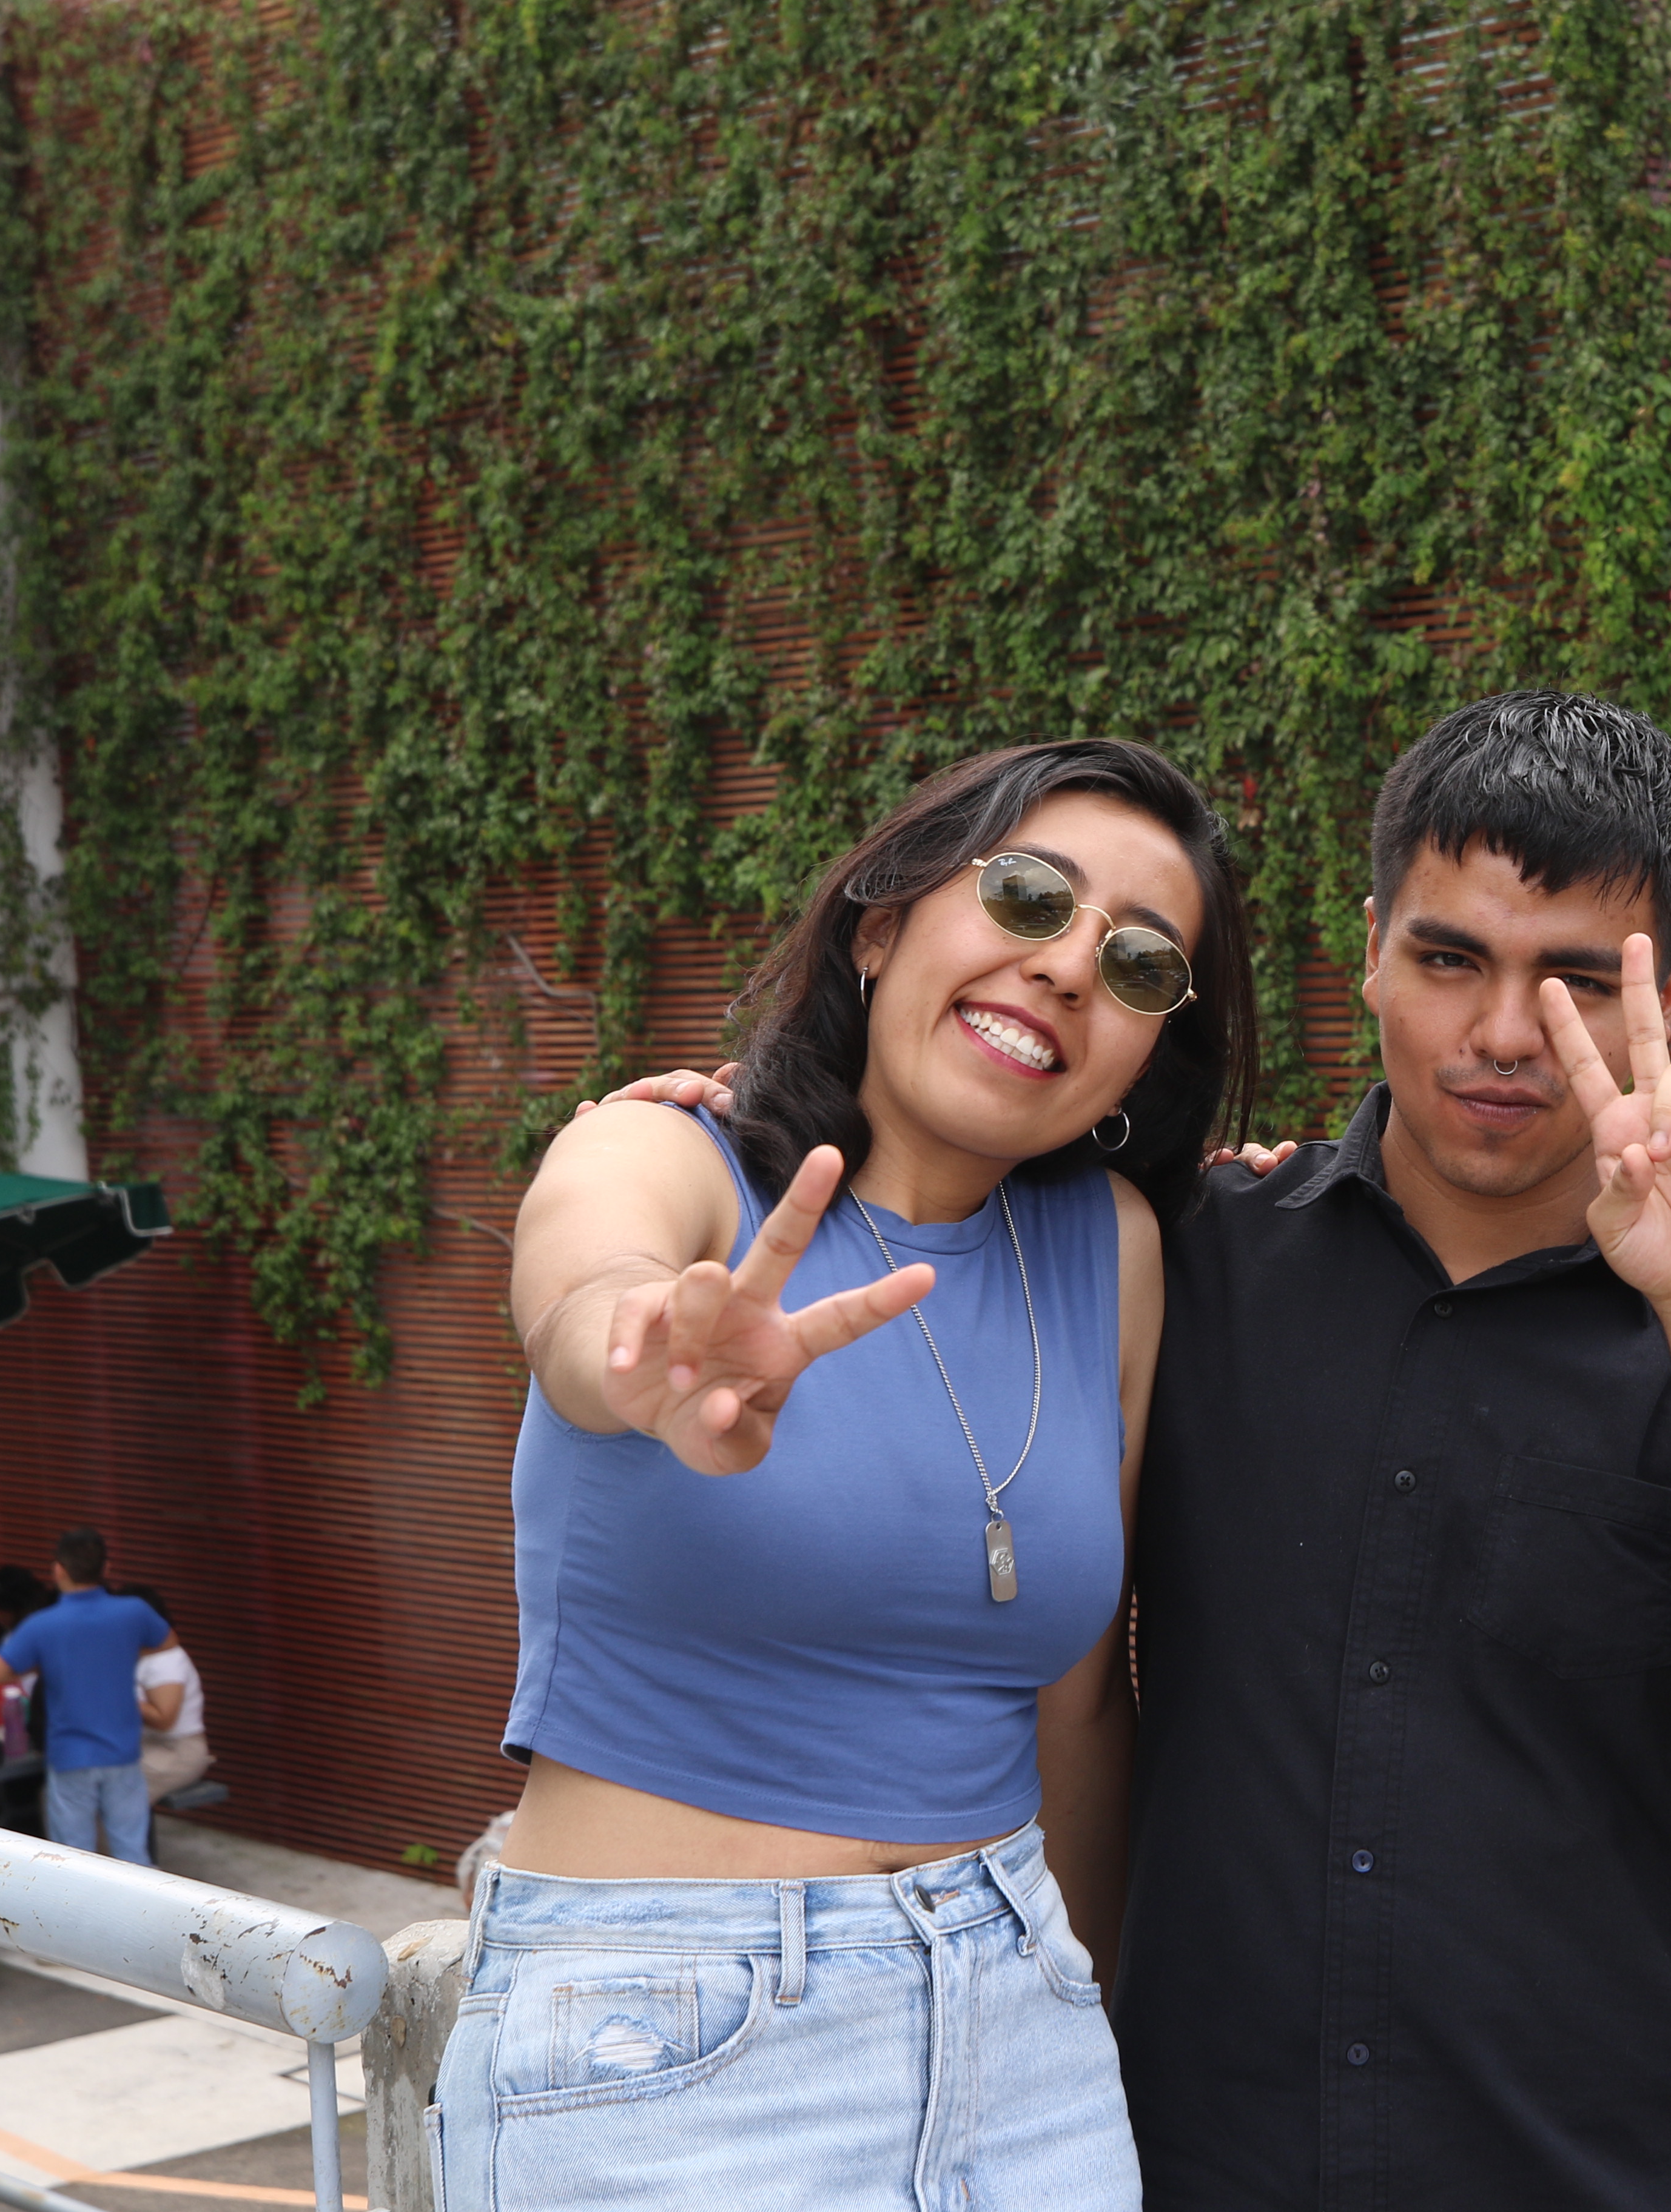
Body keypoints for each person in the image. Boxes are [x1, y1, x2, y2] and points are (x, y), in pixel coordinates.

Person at [1115, 690, 1671, 2211]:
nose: (1507, 1034)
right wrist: (742, 1132)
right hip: (1209, 2168)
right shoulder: (1188, 1268)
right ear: (1372, 946)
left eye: (1577, 979)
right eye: (1450, 958)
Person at [435, 738, 1256, 2212]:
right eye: (1027, 895)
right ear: (880, 928)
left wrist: (1096, 2014)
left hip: (1025, 2035)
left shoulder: (1116, 1251)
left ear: (1149, 1051)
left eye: (1141, 963)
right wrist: (640, 1348)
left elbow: (1077, 1708)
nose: (1070, 966)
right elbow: (583, 1279)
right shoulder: (672, 1156)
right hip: (669, 2042)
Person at [0, 1529, 173, 1865]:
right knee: (133, 1853)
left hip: (71, 1754)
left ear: (58, 1570)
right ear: (107, 1568)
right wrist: (120, 1653)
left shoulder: (42, 1625)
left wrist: (44, 1663)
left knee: (73, 1859)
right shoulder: (133, 1611)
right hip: (123, 1752)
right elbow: (168, 1642)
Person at [113, 1585, 213, 1805]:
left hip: (175, 1751)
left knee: (110, 1794)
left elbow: (164, 1719)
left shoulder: (166, 1661)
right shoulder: (135, 1655)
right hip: (141, 1745)